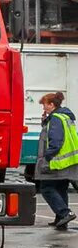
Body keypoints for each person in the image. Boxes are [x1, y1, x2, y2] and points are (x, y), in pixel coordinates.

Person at [36, 92, 78, 229]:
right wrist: (45, 121)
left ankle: (65, 213)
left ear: (52, 105)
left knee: (46, 188)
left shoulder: (56, 119)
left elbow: (55, 141)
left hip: (56, 160)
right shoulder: (65, 116)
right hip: (67, 161)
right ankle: (61, 219)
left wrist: (47, 157)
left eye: (44, 105)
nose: (43, 108)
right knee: (60, 188)